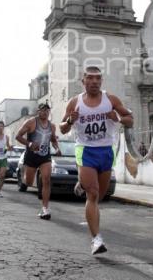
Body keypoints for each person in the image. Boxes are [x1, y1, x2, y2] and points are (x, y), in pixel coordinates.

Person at [60, 66, 133, 255]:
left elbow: (130, 119)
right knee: (92, 194)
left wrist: (117, 117)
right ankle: (96, 239)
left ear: (101, 81)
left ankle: (81, 183)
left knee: (99, 195)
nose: (94, 81)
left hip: (107, 150)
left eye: (98, 78)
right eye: (90, 78)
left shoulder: (111, 100)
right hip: (85, 150)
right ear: (83, 81)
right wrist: (69, 121)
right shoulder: (75, 102)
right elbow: (62, 129)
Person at [16, 103, 60, 220]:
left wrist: (57, 148)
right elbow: (18, 136)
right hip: (31, 156)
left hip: (45, 157)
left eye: (47, 110)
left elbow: (53, 139)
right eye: (42, 110)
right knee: (28, 182)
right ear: (38, 111)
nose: (45, 112)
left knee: (46, 179)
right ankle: (31, 177)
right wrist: (29, 143)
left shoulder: (52, 126)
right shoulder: (31, 122)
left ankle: (45, 209)